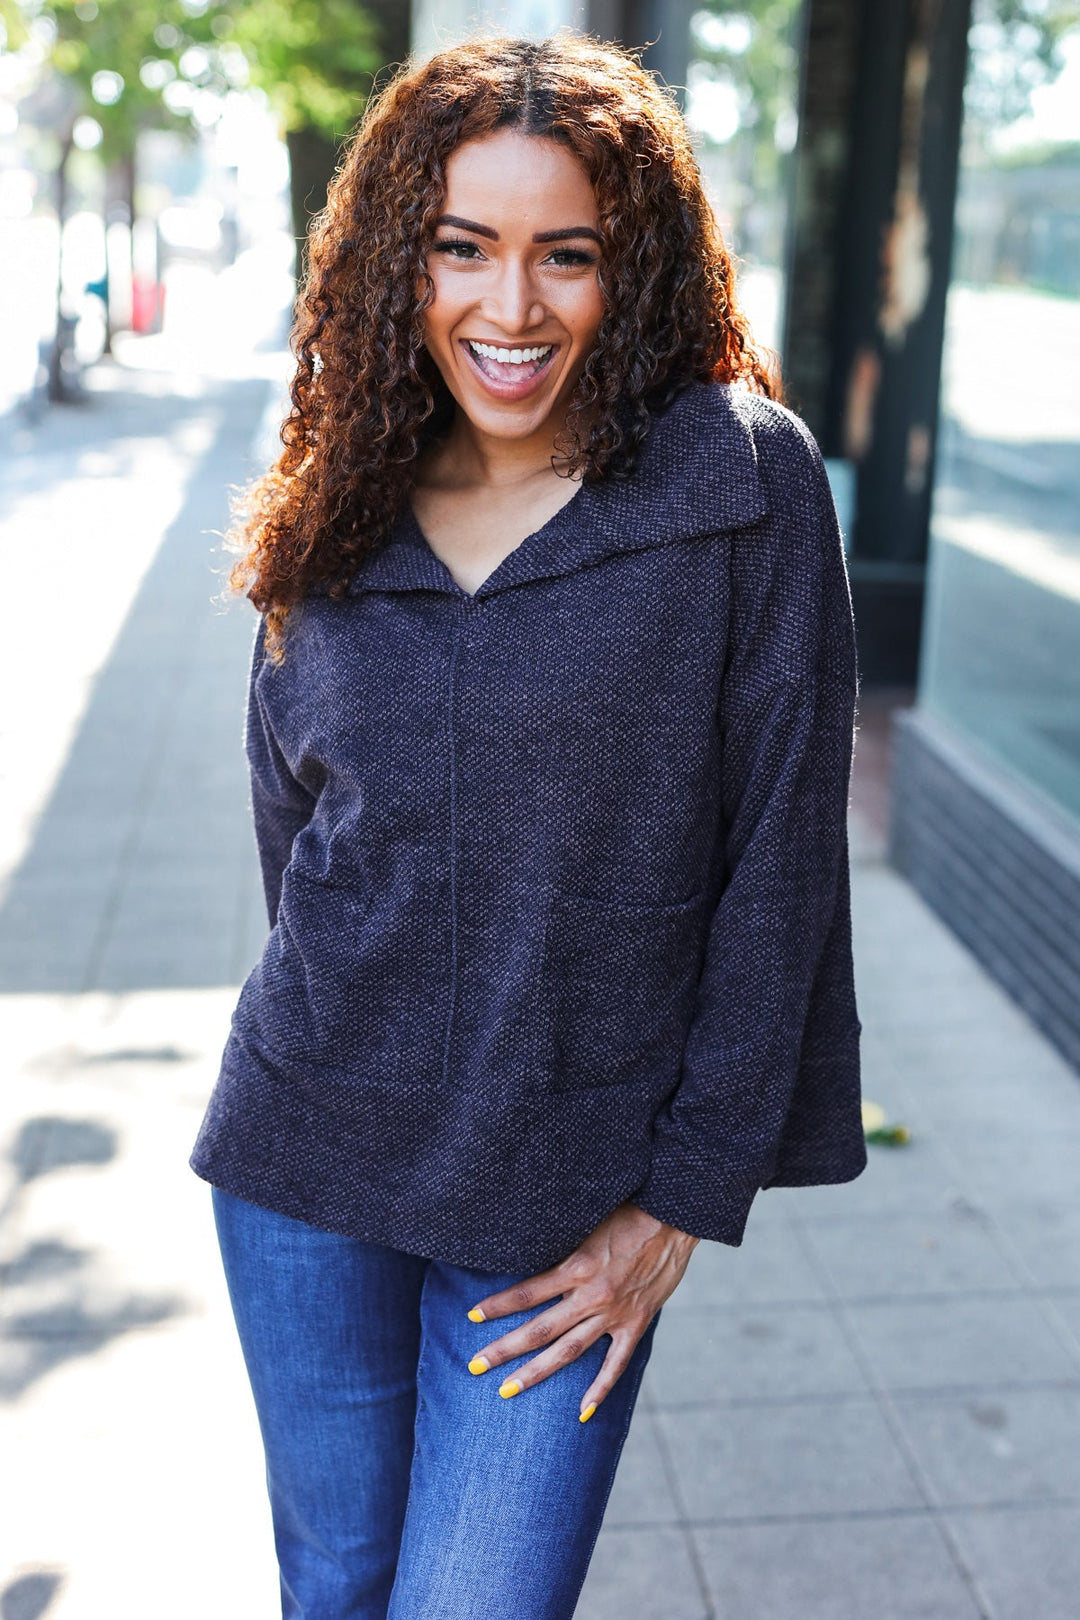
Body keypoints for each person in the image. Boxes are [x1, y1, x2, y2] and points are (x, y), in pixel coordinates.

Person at [190, 31, 867, 1620]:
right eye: (462, 248)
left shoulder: (736, 485)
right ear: (397, 261)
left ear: (632, 268)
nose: (513, 306)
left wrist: (682, 1201)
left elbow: (782, 869)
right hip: (304, 1160)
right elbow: (298, 837)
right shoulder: (343, 488)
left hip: (562, 1207)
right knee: (335, 1585)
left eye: (568, 253)